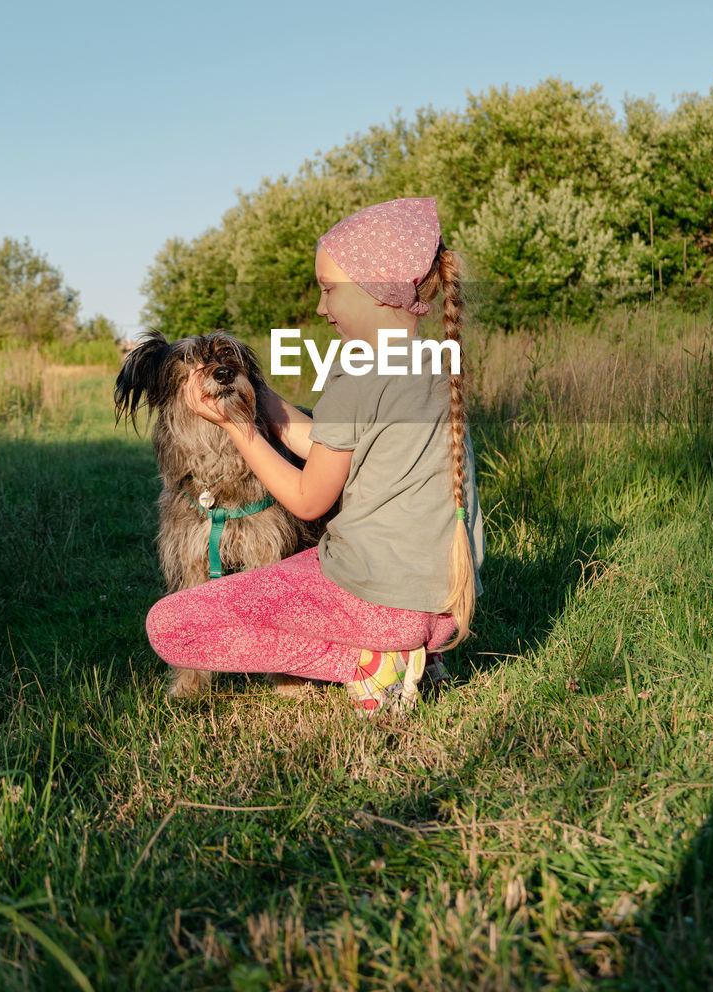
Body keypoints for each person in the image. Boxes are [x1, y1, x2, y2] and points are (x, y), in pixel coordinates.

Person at [145, 197, 485, 715]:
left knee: (170, 625)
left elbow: (308, 499)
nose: (322, 308)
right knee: (294, 573)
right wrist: (256, 392)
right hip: (446, 608)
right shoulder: (435, 368)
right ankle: (416, 653)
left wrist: (239, 428)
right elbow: (326, 444)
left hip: (375, 601)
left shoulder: (356, 376)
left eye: (329, 290)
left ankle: (371, 660)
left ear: (378, 291)